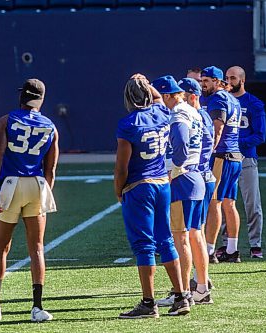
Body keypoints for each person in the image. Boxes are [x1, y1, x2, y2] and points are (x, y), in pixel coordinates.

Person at [0, 78, 59, 322]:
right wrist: (45, 193)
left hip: (11, 185)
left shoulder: (6, 120)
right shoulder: (51, 126)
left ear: (21, 96)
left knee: (1, 246)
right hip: (36, 184)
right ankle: (37, 307)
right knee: (36, 247)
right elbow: (51, 169)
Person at [114, 74, 190, 319]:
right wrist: (146, 83)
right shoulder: (161, 113)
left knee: (144, 245)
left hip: (140, 186)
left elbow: (122, 167)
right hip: (162, 183)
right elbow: (157, 98)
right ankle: (180, 296)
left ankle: (148, 303)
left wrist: (119, 189)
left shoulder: (129, 124)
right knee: (165, 240)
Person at [151, 76, 211, 307]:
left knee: (181, 238)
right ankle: (202, 288)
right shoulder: (193, 110)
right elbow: (206, 140)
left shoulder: (178, 114)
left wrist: (175, 169)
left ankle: (184, 291)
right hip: (196, 177)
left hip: (182, 180)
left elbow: (181, 144)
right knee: (196, 236)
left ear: (167, 95)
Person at [217, 66, 266, 259]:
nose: (229, 81)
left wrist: (236, 144)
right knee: (222, 202)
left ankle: (255, 245)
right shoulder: (220, 102)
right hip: (225, 158)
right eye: (227, 78)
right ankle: (227, 244)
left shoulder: (253, 103)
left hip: (245, 158)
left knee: (252, 204)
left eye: (233, 78)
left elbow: (260, 135)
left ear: (242, 80)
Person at [201, 66, 243, 263]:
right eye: (202, 81)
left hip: (221, 156)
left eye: (207, 81)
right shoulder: (232, 99)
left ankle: (209, 251)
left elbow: (217, 129)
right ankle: (232, 249)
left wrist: (208, 151)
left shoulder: (218, 99)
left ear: (218, 82)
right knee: (229, 204)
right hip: (234, 156)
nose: (203, 85)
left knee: (214, 204)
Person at [178, 77, 216, 297]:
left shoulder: (193, 115)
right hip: (203, 176)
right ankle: (200, 282)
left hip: (195, 176)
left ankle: (189, 288)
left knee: (188, 234)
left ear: (192, 96)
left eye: (182, 96)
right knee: (195, 233)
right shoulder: (201, 115)